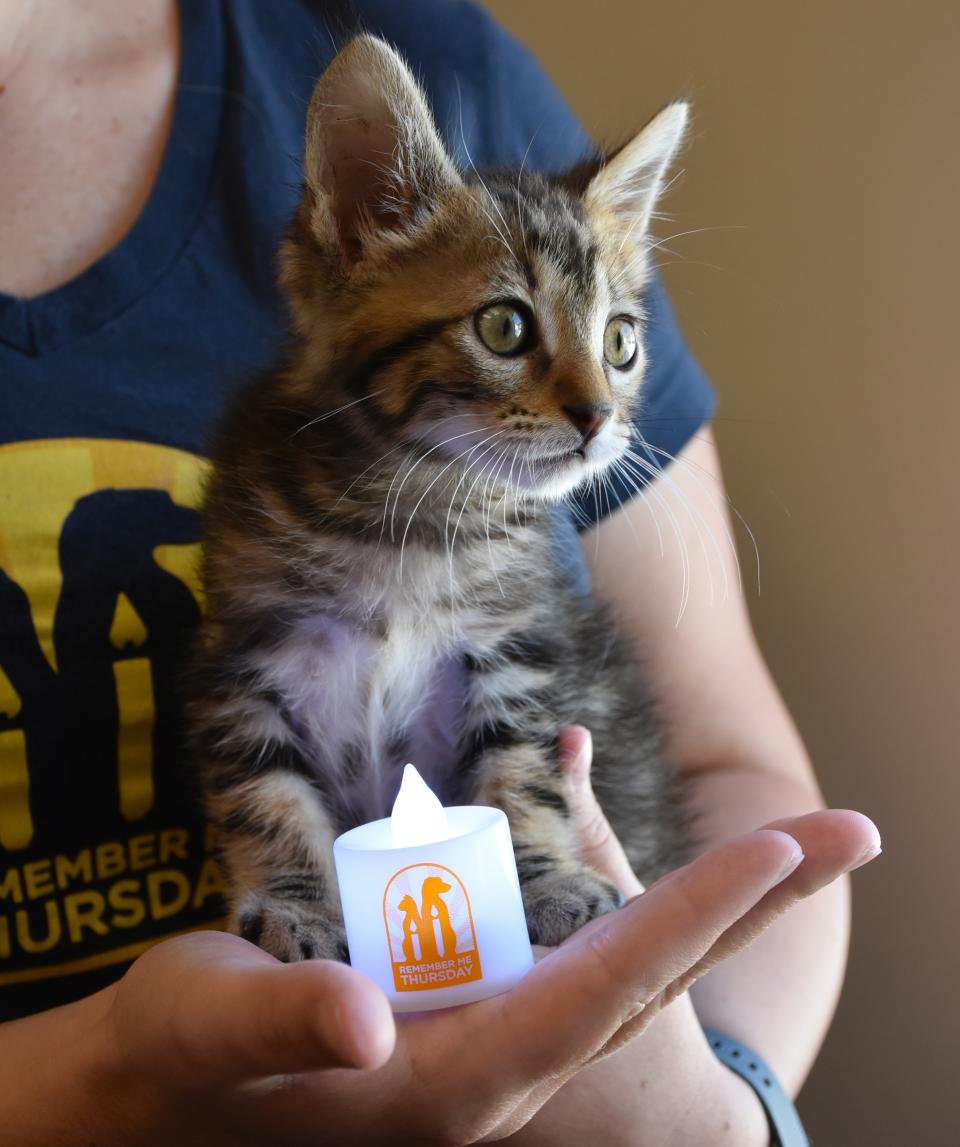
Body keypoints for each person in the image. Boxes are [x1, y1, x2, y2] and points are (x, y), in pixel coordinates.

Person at [0, 0, 880, 1142]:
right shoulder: (277, 503)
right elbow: (248, 717)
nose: (590, 406)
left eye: (616, 343)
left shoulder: (434, 49)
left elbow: (716, 758)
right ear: (353, 238)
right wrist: (121, 1070)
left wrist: (714, 1112)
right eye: (510, 332)